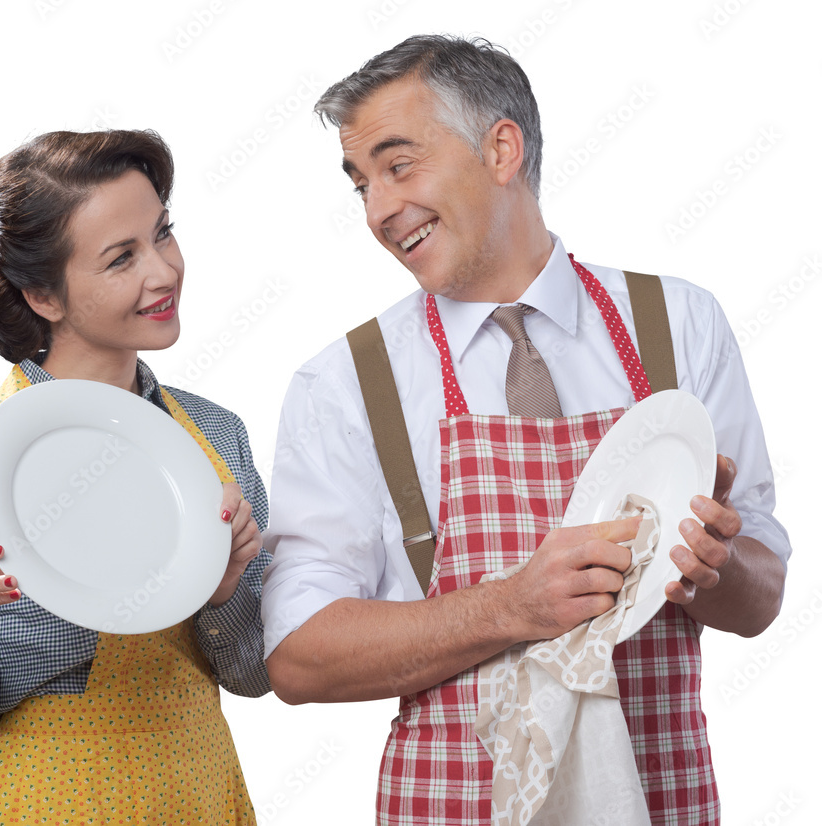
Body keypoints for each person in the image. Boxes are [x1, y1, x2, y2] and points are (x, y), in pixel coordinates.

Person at [261, 35, 790, 825]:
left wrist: (718, 569)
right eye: (361, 184)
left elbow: (761, 598)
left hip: (657, 794)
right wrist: (510, 606)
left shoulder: (678, 324)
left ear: (501, 148)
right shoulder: (344, 383)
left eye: (398, 166)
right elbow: (299, 657)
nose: (376, 210)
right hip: (454, 801)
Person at [0, 129, 269, 824]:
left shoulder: (217, 437)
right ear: (43, 295)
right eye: (121, 258)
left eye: (163, 235)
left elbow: (256, 675)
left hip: (203, 795)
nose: (163, 272)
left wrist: (224, 592)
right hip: (47, 803)